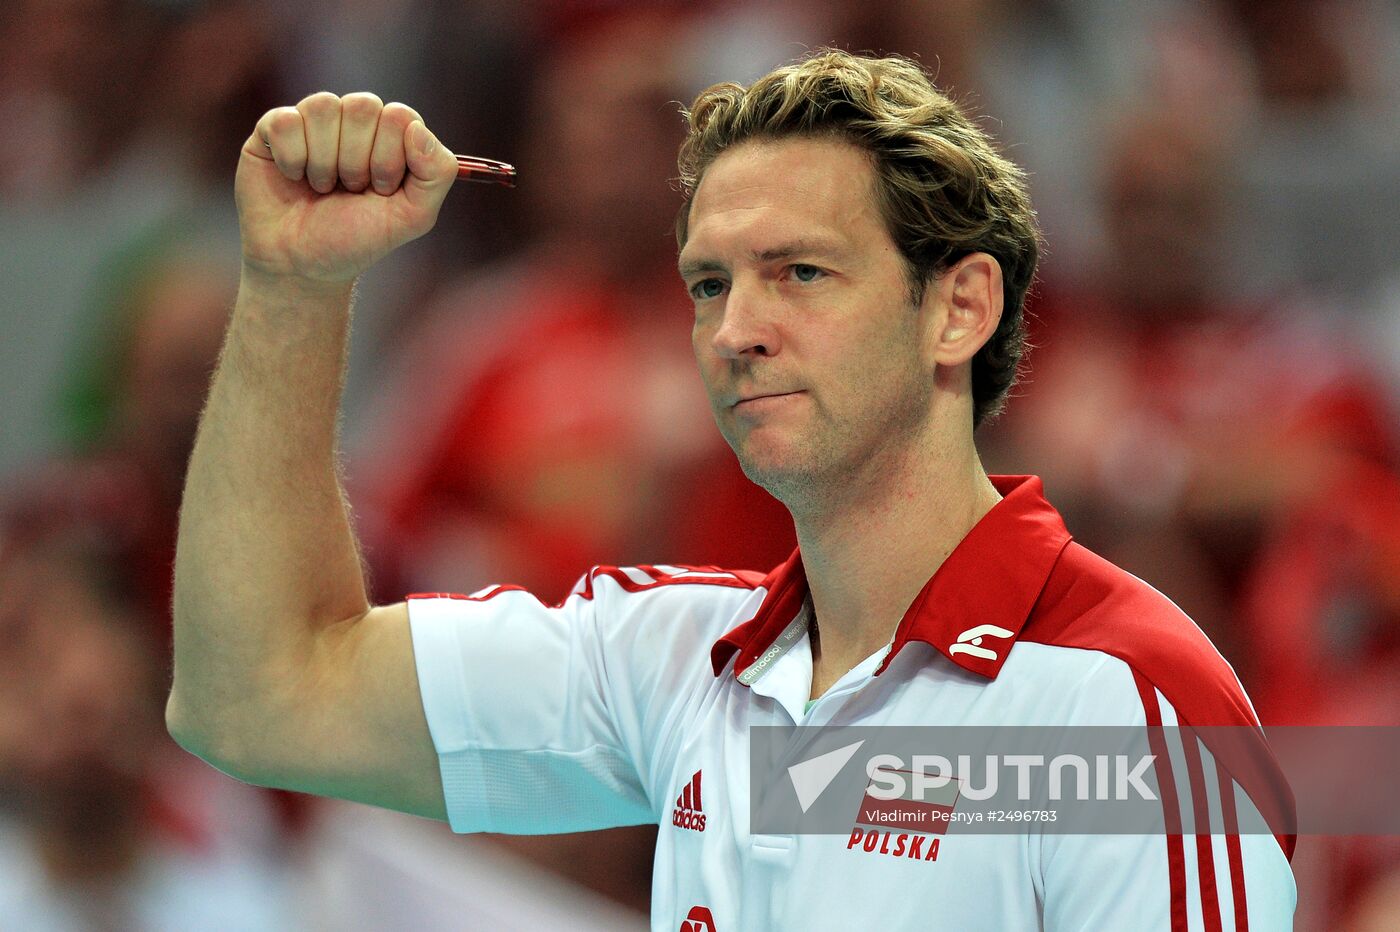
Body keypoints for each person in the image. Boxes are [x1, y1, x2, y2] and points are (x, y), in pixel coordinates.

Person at [167, 50, 1297, 929]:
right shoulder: (675, 659)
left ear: (958, 307)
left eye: (798, 272)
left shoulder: (1125, 702)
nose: (733, 332)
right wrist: (292, 284)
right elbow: (259, 693)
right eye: (708, 284)